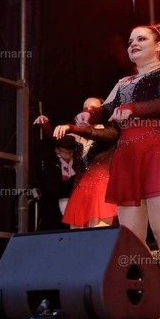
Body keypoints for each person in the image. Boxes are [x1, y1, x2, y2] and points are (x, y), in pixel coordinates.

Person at [74, 23, 160, 319]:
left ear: (159, 45)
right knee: (131, 238)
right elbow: (105, 109)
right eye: (131, 40)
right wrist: (88, 115)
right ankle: (153, 295)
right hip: (129, 156)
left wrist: (133, 109)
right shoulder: (123, 82)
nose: (133, 44)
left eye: (141, 39)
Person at [54, 97, 118, 228]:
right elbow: (57, 140)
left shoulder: (110, 131)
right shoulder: (78, 138)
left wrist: (71, 127)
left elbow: (94, 133)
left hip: (102, 191)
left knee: (98, 235)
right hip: (80, 190)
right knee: (77, 237)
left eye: (93, 109)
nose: (88, 111)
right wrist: (46, 125)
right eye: (85, 108)